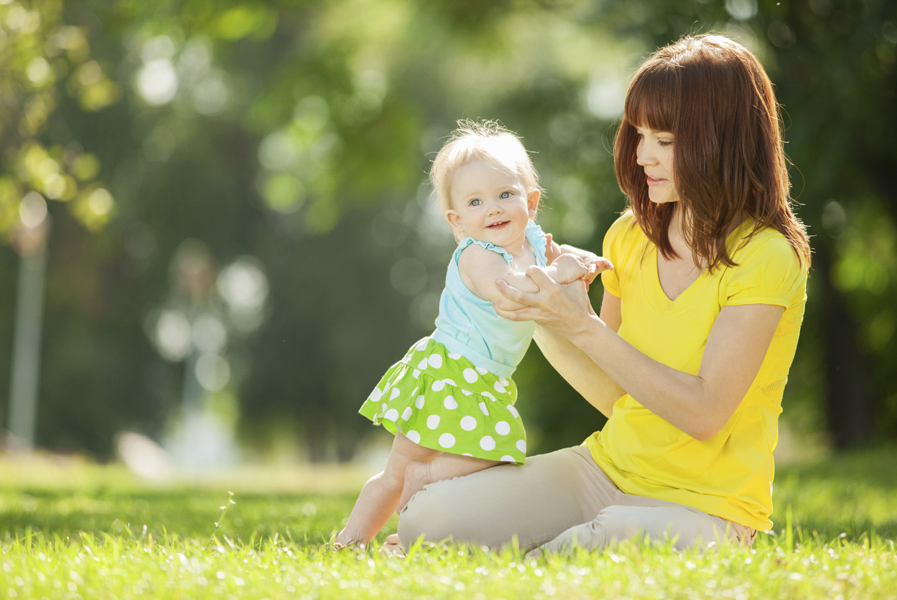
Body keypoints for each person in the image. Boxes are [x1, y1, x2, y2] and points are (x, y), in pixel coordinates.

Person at [392, 33, 812, 556]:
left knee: (608, 537)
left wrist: (582, 325)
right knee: (425, 521)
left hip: (705, 506)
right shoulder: (630, 236)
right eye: (639, 136)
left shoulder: (767, 255)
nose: (642, 157)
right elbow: (616, 398)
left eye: (664, 140)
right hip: (604, 470)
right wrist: (547, 311)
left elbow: (705, 414)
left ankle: (545, 555)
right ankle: (545, 549)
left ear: (721, 139)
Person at [333, 120, 613, 549]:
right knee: (397, 473)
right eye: (476, 202)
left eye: (505, 195)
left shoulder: (534, 244)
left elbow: (558, 259)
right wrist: (559, 273)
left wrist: (583, 260)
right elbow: (512, 293)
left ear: (531, 202)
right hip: (450, 368)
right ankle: (351, 540)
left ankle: (422, 482)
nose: (494, 209)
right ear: (457, 220)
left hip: (487, 379)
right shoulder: (479, 256)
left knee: (493, 453)